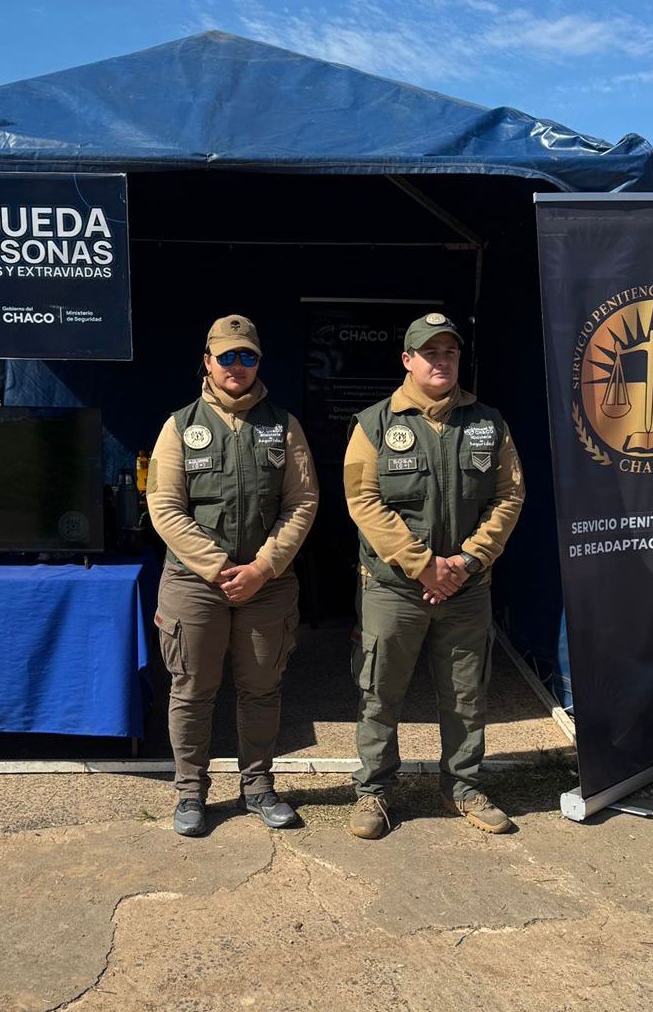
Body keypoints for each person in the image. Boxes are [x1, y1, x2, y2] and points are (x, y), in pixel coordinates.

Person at [342, 312, 524, 839]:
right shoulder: (373, 424)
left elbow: (509, 495)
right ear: (407, 360)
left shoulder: (490, 423)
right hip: (394, 588)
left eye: (449, 352)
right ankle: (374, 792)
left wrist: (467, 561)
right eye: (429, 352)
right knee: (380, 692)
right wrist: (424, 565)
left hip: (467, 587)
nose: (440, 360)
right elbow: (363, 502)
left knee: (467, 693)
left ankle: (462, 786)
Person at [147, 314, 319, 837]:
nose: (237, 366)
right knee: (192, 689)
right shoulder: (179, 426)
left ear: (258, 362)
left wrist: (264, 567)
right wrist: (221, 567)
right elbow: (163, 504)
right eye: (227, 356)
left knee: (261, 689)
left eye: (247, 357)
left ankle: (258, 788)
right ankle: (190, 793)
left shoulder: (284, 425)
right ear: (208, 361)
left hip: (266, 586)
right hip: (195, 583)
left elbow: (303, 500)